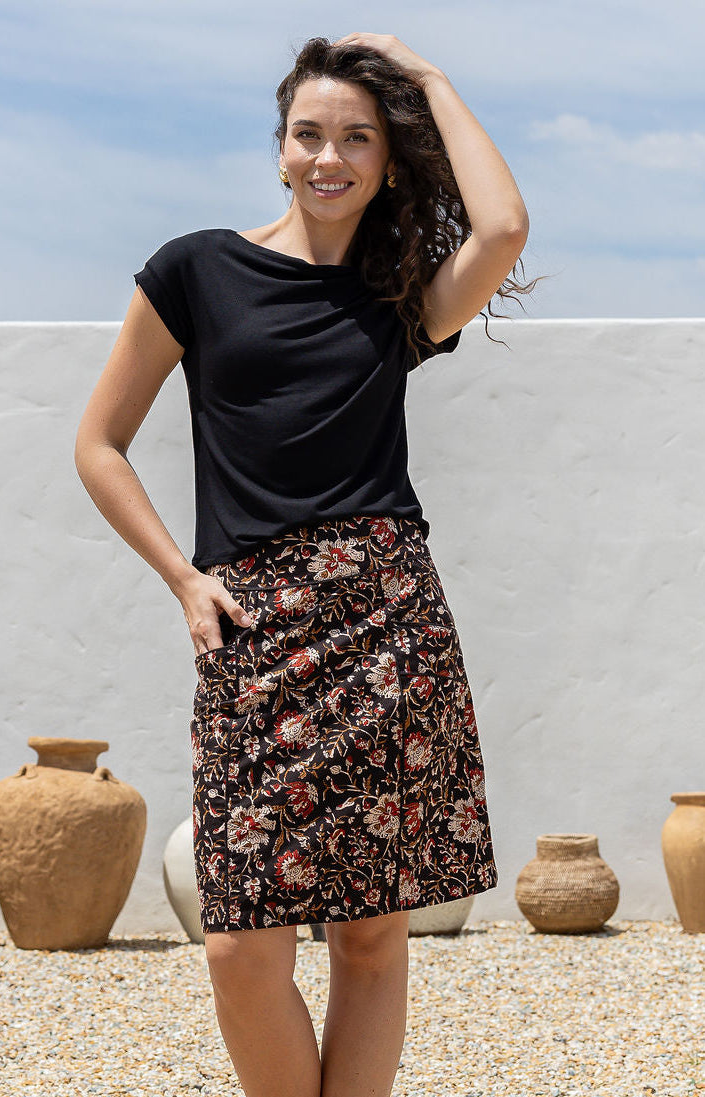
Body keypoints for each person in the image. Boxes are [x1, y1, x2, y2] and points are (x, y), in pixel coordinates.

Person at [75, 32, 530, 1097]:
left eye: (357, 138)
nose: (331, 157)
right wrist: (184, 579)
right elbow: (98, 444)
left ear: (383, 159)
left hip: (386, 619)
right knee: (242, 940)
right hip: (249, 620)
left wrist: (430, 79)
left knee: (372, 934)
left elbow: (502, 225)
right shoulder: (196, 270)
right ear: (280, 148)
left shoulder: (399, 296)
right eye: (310, 134)